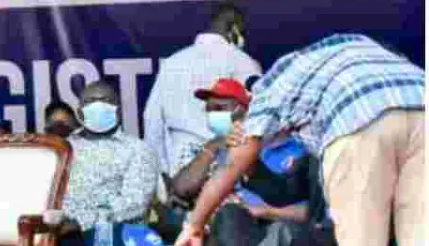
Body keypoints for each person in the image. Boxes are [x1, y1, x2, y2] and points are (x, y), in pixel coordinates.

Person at [175, 34, 424, 246]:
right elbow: (289, 190)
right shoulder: (358, 55)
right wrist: (250, 167)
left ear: (246, 106)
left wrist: (194, 225)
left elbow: (233, 164)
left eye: (222, 108)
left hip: (359, 121)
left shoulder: (274, 85)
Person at [169, 78, 314, 246]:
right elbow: (182, 189)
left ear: (243, 110)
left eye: (219, 109)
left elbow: (317, 211)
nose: (212, 115)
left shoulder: (301, 150)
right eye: (208, 110)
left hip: (269, 229)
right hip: (214, 229)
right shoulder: (214, 148)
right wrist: (214, 146)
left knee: (234, 216)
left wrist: (262, 211)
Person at [144, 4, 261, 177]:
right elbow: (258, 118)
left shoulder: (172, 62)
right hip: (222, 163)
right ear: (234, 29)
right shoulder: (242, 62)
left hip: (179, 166)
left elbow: (152, 120)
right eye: (243, 32)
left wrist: (161, 173)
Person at [57, 81, 162, 246]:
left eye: (106, 100)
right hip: (59, 232)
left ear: (118, 110)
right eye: (90, 101)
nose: (98, 105)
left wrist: (80, 222)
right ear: (79, 112)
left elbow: (135, 204)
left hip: (113, 234)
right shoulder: (63, 148)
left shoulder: (138, 149)